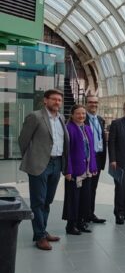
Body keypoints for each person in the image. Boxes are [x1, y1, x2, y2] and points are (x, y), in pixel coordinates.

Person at [18, 89, 69, 250]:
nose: (57, 102)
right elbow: (23, 140)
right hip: (40, 164)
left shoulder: (61, 118)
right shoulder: (35, 116)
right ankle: (39, 236)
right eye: (54, 99)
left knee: (47, 200)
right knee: (38, 201)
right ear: (45, 101)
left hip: (57, 163)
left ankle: (42, 230)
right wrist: (31, 158)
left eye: (59, 100)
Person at [62, 105, 97, 235]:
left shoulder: (87, 128)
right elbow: (67, 152)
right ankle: (71, 225)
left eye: (83, 114)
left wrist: (93, 166)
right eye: (78, 113)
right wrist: (68, 170)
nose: (81, 116)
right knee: (73, 199)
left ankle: (81, 222)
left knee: (85, 198)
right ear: (72, 115)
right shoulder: (68, 129)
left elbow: (92, 150)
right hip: (75, 170)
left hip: (87, 169)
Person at [84, 95, 107, 224]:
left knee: (93, 188)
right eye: (91, 102)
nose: (93, 104)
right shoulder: (82, 117)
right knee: (85, 188)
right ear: (86, 103)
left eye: (96, 102)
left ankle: (90, 213)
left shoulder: (100, 120)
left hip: (98, 158)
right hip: (86, 158)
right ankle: (83, 215)